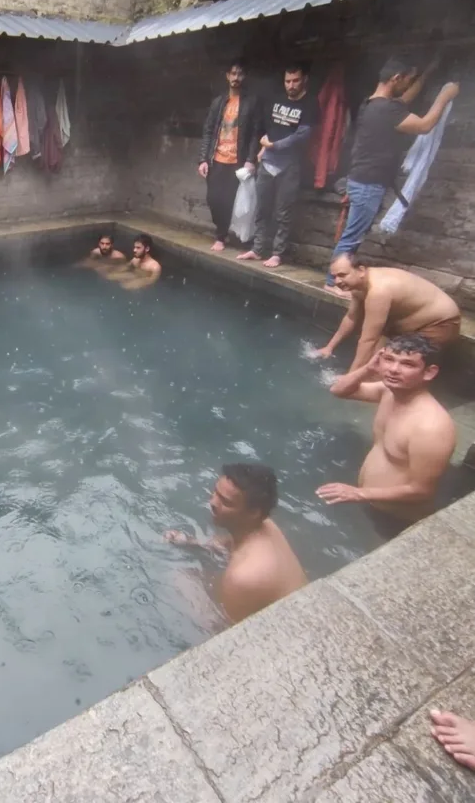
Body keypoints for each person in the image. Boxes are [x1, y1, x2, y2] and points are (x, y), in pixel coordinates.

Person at [325, 59, 459, 297]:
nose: (407, 86)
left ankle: (337, 280)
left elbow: (403, 101)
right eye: (406, 80)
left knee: (353, 234)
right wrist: (445, 96)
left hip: (361, 179)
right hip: (368, 184)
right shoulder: (387, 110)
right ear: (396, 78)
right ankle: (333, 282)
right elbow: (425, 125)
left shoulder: (372, 104)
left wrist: (425, 75)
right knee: (352, 237)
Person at [316, 334, 455, 531]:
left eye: (407, 364)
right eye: (389, 360)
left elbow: (421, 490)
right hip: (370, 500)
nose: (393, 369)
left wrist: (359, 494)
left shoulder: (430, 427)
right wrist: (368, 369)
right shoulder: (388, 392)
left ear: (429, 372)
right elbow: (339, 390)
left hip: (398, 518)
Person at [165, 463, 307, 624]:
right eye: (215, 492)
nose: (212, 502)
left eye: (225, 502)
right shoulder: (264, 524)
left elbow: (226, 633)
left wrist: (191, 588)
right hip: (300, 605)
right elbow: (225, 544)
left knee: (181, 578)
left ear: (253, 512)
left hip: (289, 631)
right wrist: (190, 543)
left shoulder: (242, 577)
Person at [315, 255, 460, 371]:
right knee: (376, 362)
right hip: (408, 322)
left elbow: (368, 339)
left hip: (440, 323)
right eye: (334, 276)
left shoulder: (378, 291)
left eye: (342, 275)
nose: (337, 281)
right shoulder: (357, 285)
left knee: (395, 367)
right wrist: (329, 347)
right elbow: (351, 317)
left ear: (361, 270)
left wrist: (350, 377)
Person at [238, 64, 319, 268]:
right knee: (262, 208)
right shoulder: (276, 99)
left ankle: (277, 253)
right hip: (267, 162)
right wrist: (263, 148)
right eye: (287, 81)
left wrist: (274, 145)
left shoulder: (310, 104)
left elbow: (302, 135)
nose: (291, 85)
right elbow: (266, 128)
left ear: (304, 80)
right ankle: (257, 249)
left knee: (283, 212)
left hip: (290, 165)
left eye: (295, 81)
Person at [197, 60, 261, 251]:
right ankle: (221, 230)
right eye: (233, 74)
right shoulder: (219, 102)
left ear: (244, 76)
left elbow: (255, 133)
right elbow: (208, 131)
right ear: (227, 76)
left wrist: (250, 160)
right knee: (213, 198)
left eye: (239, 74)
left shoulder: (251, 102)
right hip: (216, 159)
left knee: (234, 201)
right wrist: (203, 159)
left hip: (238, 161)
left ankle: (224, 236)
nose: (236, 78)